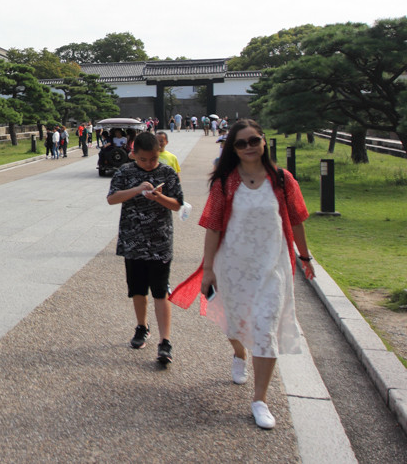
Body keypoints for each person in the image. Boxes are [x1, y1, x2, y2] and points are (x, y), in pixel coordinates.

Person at [170, 119, 314, 430]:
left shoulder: (282, 180)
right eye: (241, 143)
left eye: (254, 140)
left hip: (271, 267)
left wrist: (305, 257)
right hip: (233, 266)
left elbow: (297, 220)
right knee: (234, 324)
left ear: (264, 142)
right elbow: (213, 226)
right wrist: (208, 270)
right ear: (233, 149)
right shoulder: (226, 182)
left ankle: (259, 399)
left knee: (265, 329)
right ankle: (238, 353)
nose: (249, 147)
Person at [107, 132, 184, 365]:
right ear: (134, 155)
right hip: (133, 240)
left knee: (160, 291)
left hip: (160, 240)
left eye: (153, 159)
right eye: (143, 159)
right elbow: (112, 198)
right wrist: (138, 190)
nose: (149, 164)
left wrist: (158, 197)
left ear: (159, 153)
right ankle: (142, 326)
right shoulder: (125, 172)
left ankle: (165, 341)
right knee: (137, 289)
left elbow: (178, 204)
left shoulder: (167, 173)